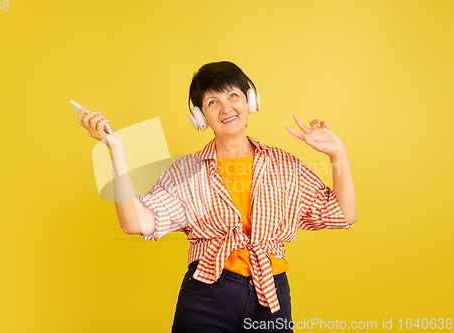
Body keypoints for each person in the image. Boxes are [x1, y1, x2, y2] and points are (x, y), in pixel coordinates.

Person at [77, 61, 357, 332]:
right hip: (207, 298)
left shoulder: (284, 165)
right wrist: (116, 151)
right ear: (200, 117)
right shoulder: (185, 172)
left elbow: (344, 216)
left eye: (233, 95)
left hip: (272, 297)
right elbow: (135, 223)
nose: (226, 108)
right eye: (212, 102)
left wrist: (337, 153)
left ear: (250, 100)